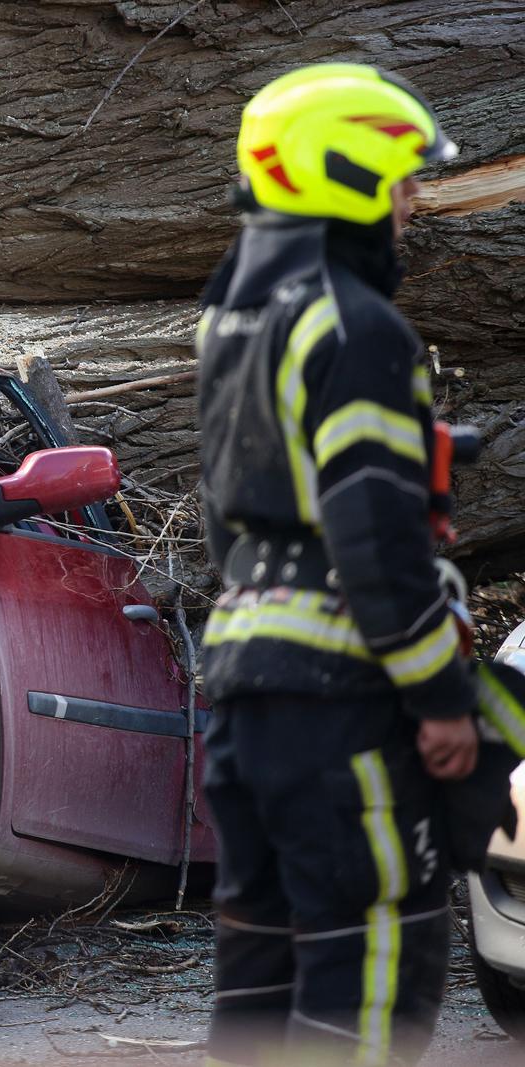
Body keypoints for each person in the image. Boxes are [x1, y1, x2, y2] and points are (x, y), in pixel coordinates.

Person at [195, 64, 476, 1066]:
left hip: (242, 694)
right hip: (337, 701)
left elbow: (230, 517)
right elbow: (370, 530)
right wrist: (437, 691)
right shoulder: (358, 327)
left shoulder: (233, 316)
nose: (410, 204)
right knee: (374, 957)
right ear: (341, 172)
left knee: (260, 973)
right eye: (401, 178)